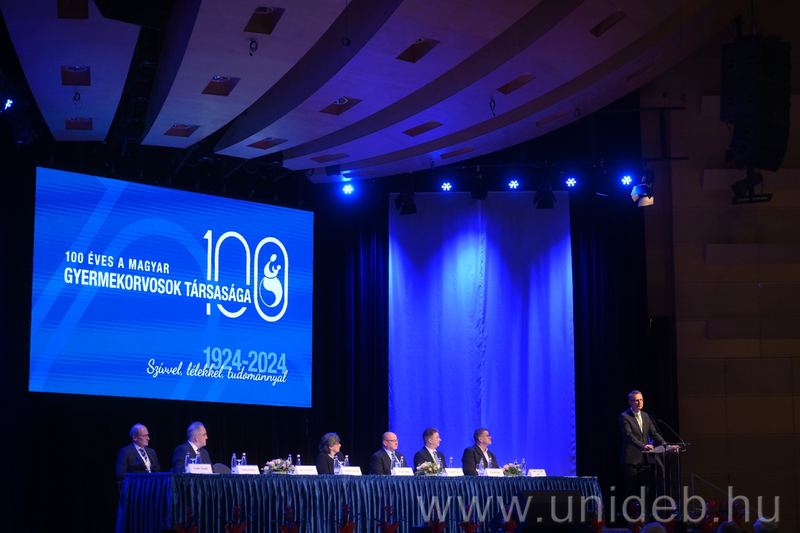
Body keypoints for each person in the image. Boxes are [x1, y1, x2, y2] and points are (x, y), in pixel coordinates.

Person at [619, 390, 667, 501]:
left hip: (645, 459)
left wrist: (665, 445)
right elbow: (629, 436)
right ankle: (631, 511)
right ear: (630, 402)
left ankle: (644, 510)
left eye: (641, 400)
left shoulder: (645, 416)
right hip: (631, 460)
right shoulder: (624, 417)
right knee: (631, 490)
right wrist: (643, 446)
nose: (639, 402)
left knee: (645, 489)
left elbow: (654, 433)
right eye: (636, 400)